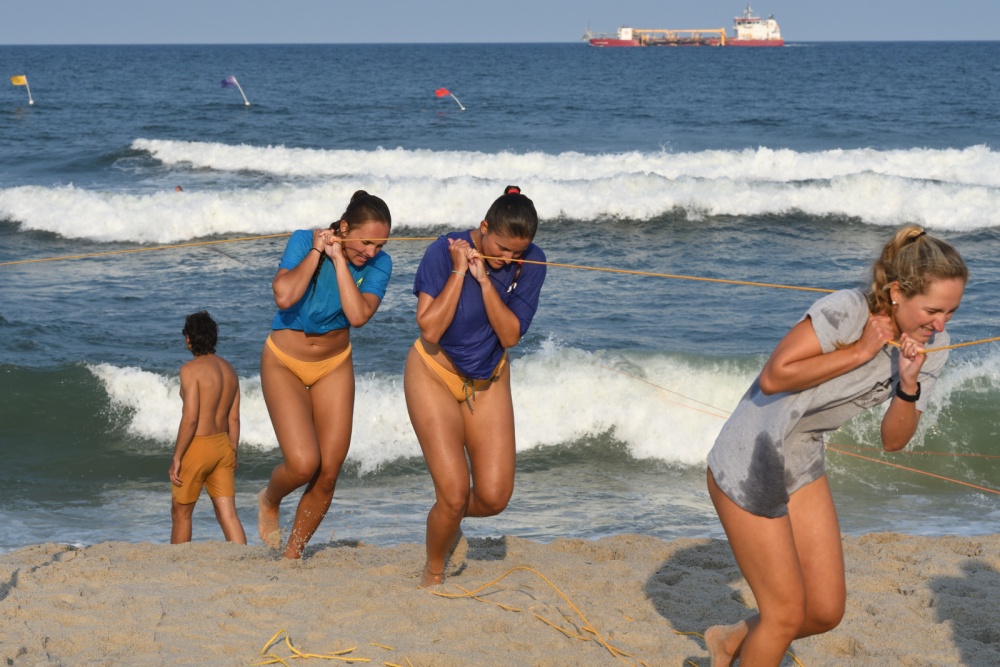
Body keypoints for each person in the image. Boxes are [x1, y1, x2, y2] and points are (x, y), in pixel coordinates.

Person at [703, 225, 967, 666]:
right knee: (784, 615)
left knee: (824, 611)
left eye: (951, 312)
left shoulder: (933, 347)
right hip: (751, 455)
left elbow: (894, 441)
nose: (940, 324)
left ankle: (729, 643)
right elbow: (774, 377)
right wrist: (861, 351)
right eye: (933, 310)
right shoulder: (847, 310)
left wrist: (907, 386)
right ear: (898, 293)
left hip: (801, 457)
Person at [404, 185, 547, 587]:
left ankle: (447, 520)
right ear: (484, 228)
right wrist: (459, 271)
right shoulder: (442, 251)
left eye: (518, 251)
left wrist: (485, 282)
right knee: (453, 494)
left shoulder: (532, 262)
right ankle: (434, 570)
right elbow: (431, 328)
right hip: (434, 372)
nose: (509, 258)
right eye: (502, 248)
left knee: (494, 497)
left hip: (489, 379)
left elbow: (510, 335)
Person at [257, 190, 392, 559]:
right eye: (366, 242)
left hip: (334, 365)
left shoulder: (380, 265)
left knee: (328, 472)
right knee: (304, 464)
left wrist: (340, 260)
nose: (372, 252)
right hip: (284, 360)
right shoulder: (304, 240)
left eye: (380, 245)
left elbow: (358, 316)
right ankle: (270, 499)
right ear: (344, 228)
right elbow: (284, 297)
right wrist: (318, 251)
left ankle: (292, 555)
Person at [169, 311, 246, 544]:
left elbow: (191, 418)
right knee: (228, 514)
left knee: (181, 513)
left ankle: (177, 560)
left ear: (189, 339)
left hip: (198, 447)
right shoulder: (230, 370)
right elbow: (234, 418)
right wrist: (233, 450)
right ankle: (245, 557)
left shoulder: (190, 370)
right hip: (223, 445)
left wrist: (177, 457)